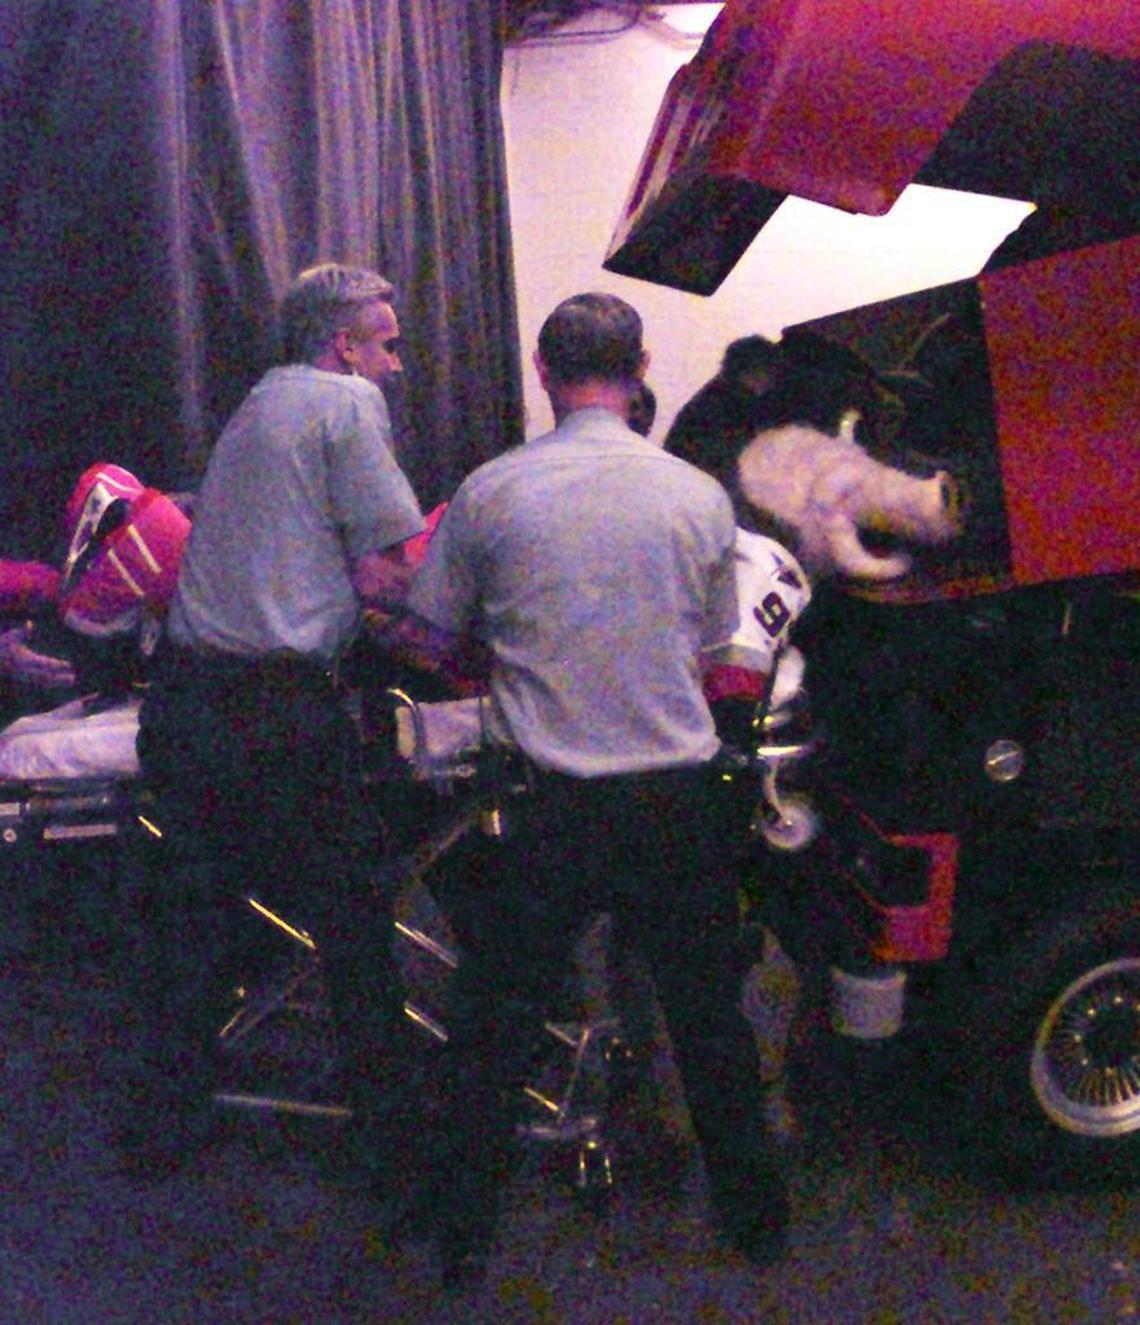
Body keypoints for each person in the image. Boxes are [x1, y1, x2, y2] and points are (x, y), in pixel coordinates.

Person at [402, 292, 791, 1290]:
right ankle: (758, 1222)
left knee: (494, 1020)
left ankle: (460, 1238)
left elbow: (433, 632)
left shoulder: (491, 491)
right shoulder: (698, 497)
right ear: (640, 365)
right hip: (673, 802)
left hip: (550, 806)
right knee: (710, 1016)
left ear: (542, 368)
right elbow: (711, 643)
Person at [127, 263, 426, 1186]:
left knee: (198, 917)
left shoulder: (258, 405)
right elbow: (387, 574)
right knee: (353, 917)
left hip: (183, 706)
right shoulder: (344, 406)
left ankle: (167, 1128)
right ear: (342, 346)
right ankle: (394, 1141)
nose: (395, 365)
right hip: (274, 715)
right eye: (385, 343)